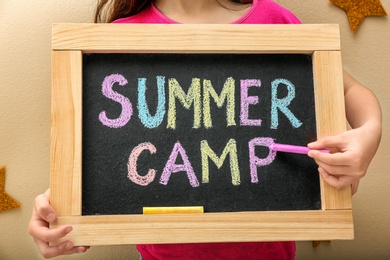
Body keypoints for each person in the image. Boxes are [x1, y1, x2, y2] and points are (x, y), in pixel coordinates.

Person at [28, 0, 382, 259]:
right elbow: (104, 151)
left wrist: (369, 133)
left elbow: (348, 90)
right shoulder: (118, 40)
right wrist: (63, 208)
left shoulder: (275, 21)